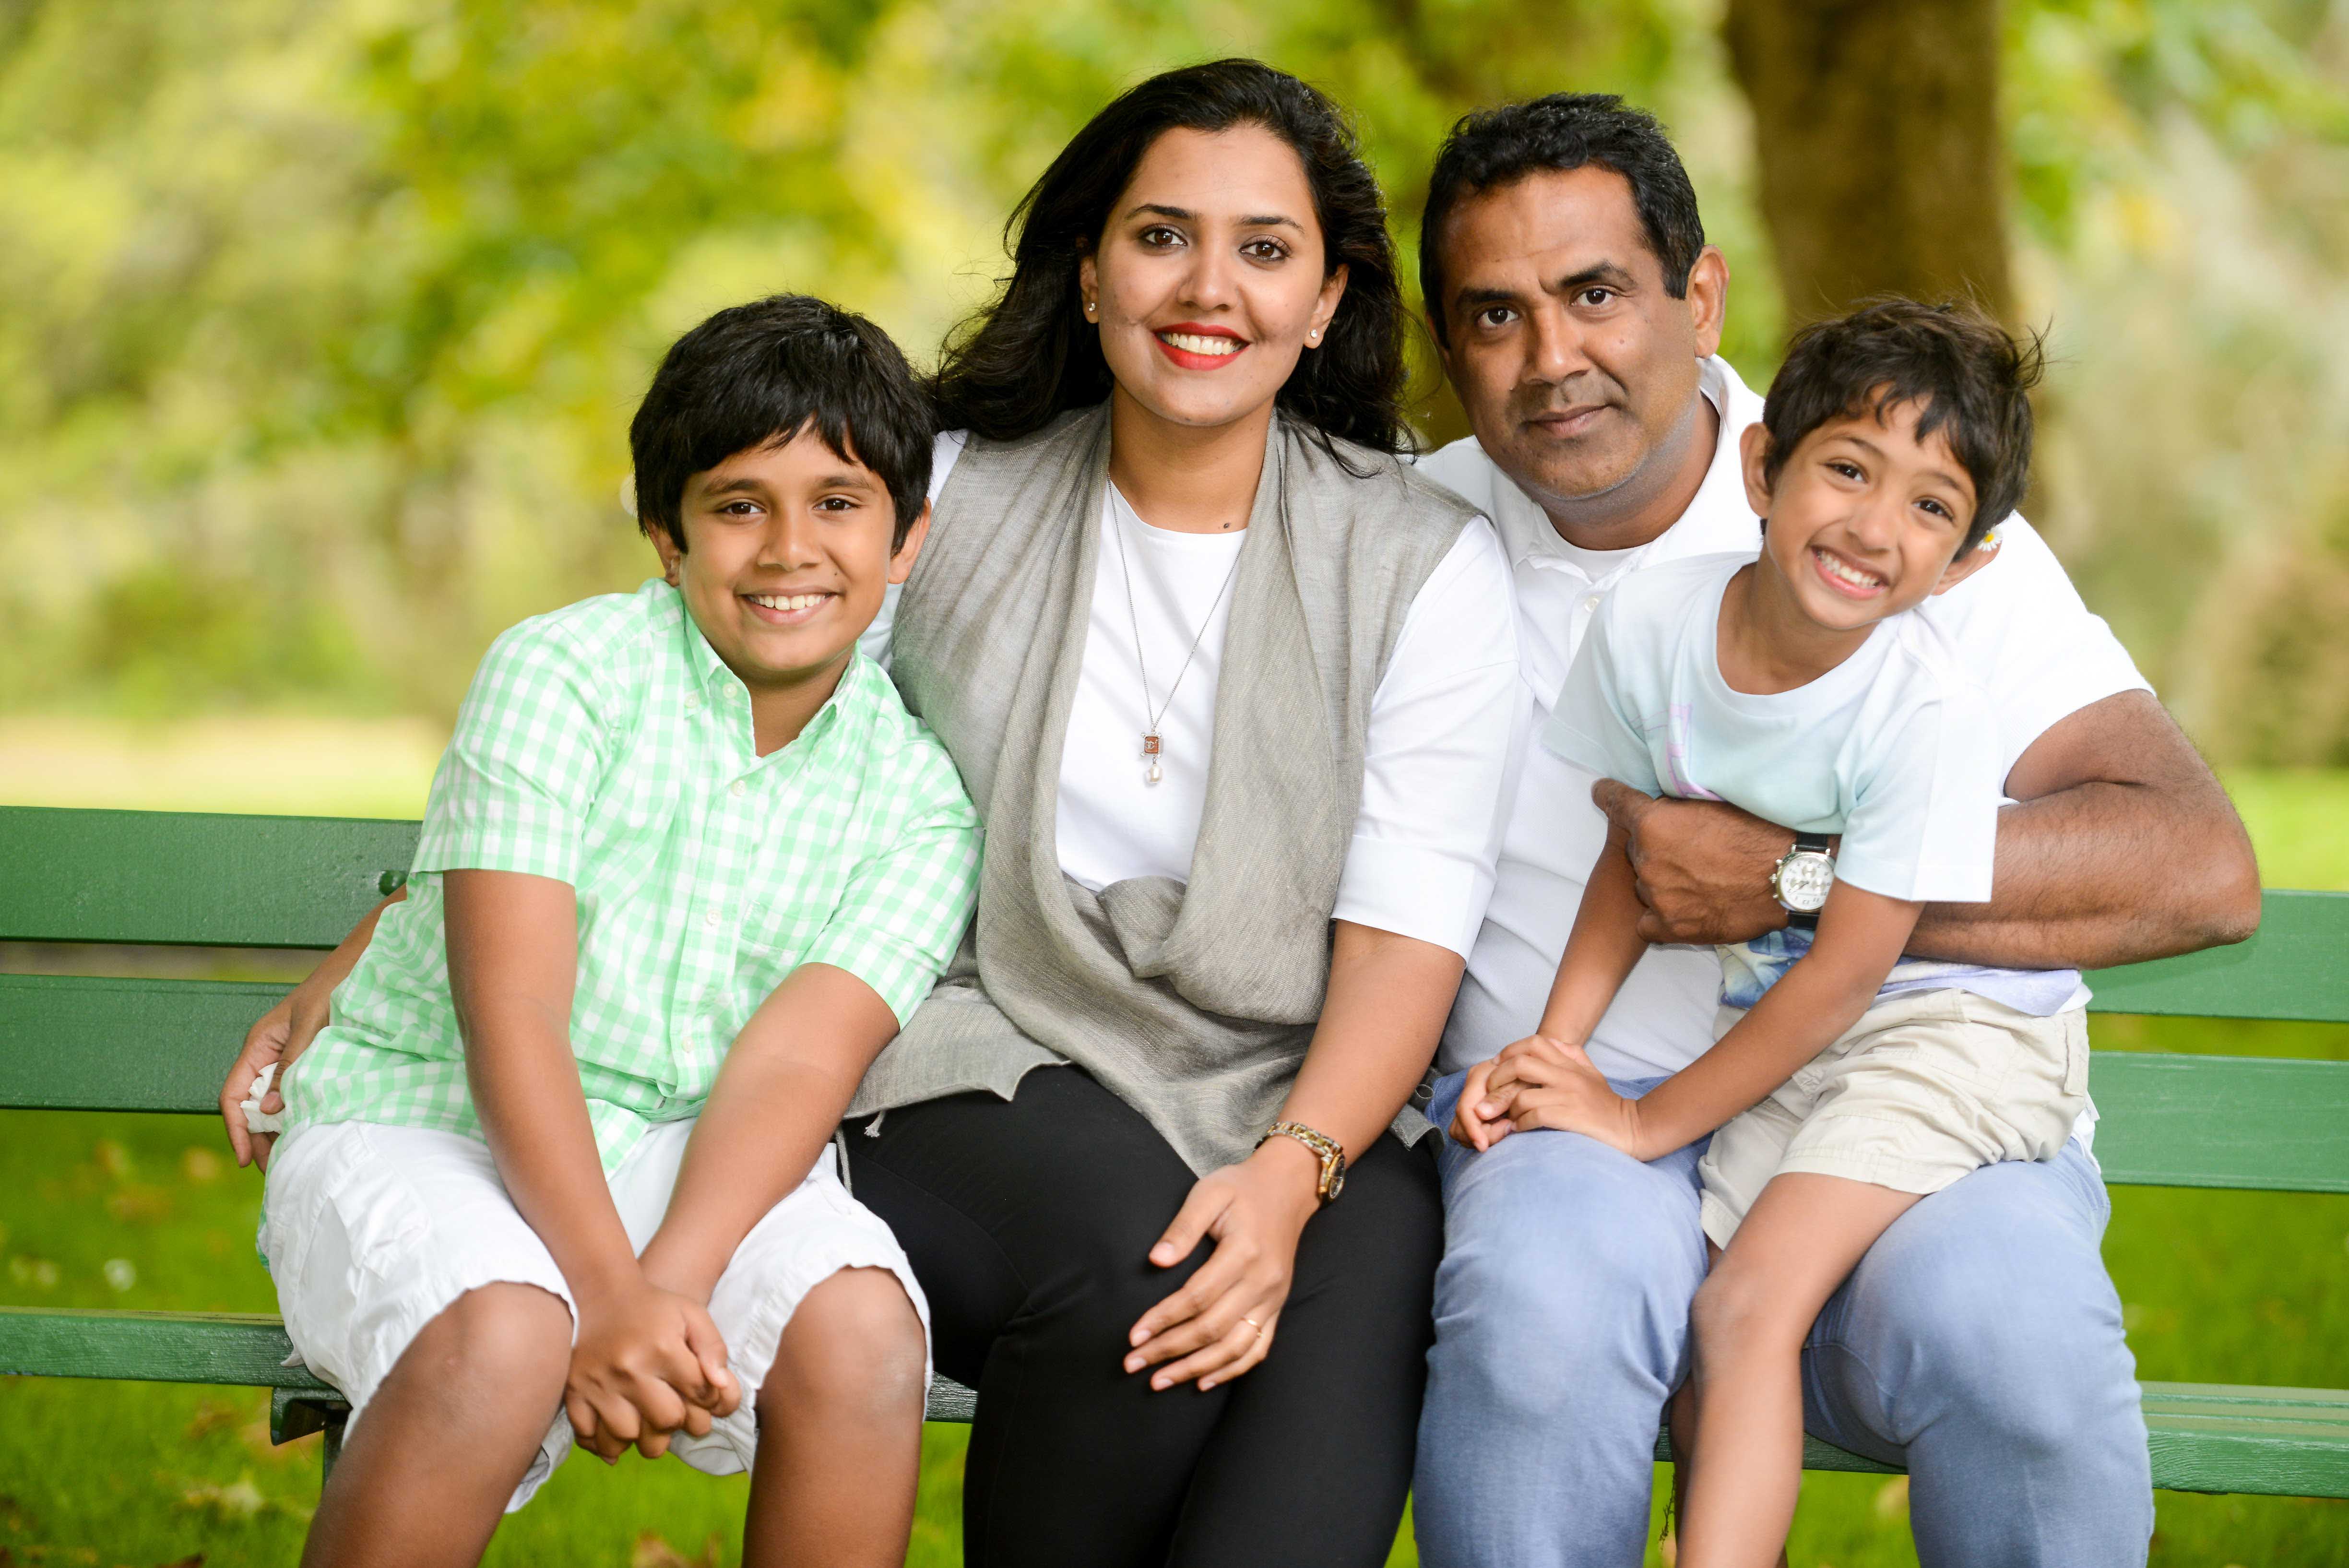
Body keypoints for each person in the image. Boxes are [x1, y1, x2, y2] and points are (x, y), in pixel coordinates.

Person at [225, 59, 1518, 1568]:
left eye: (1265, 248)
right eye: (1161, 235)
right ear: (1090, 269)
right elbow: (720, 731)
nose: (1207, 287)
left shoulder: (1418, 559)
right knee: (1131, 1251)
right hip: (989, 1048)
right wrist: (393, 924)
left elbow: (1409, 926)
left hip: (1296, 1082)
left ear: (1325, 296)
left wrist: (1296, 1166)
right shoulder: (944, 497)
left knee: (1324, 1346)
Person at [1407, 95, 2261, 1568]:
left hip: (1893, 1098)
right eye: (1496, 314)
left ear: (1702, 295)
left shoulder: (1895, 513)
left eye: (1598, 293)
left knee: (2018, 1338)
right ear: (1448, 346)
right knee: (1539, 1312)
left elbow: (2198, 864)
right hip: (1582, 1127)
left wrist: (1792, 881)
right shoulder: (1409, 541)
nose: (1554, 360)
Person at [227, 295, 982, 1568]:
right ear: (666, 536)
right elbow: (509, 1009)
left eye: (838, 502)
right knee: (508, 1327)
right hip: (429, 1120)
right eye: (739, 503)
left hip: (687, 1153)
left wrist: (666, 1282)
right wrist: (601, 1281)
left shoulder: (919, 799)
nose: (790, 546)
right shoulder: (562, 677)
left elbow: (798, 1062)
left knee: (861, 1331)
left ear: (908, 537)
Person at [1454, 298, 2094, 1567]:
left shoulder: (1924, 711)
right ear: (1764, 466)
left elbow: (1854, 967)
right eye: (1849, 470)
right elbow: (1631, 864)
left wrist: (1643, 1119)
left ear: (1966, 563)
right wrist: (1558, 1054)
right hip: (1803, 1031)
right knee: (1700, 1316)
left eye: (1930, 507)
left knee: (1748, 1304)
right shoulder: (1653, 626)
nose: (1873, 527)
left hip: (1955, 1039)